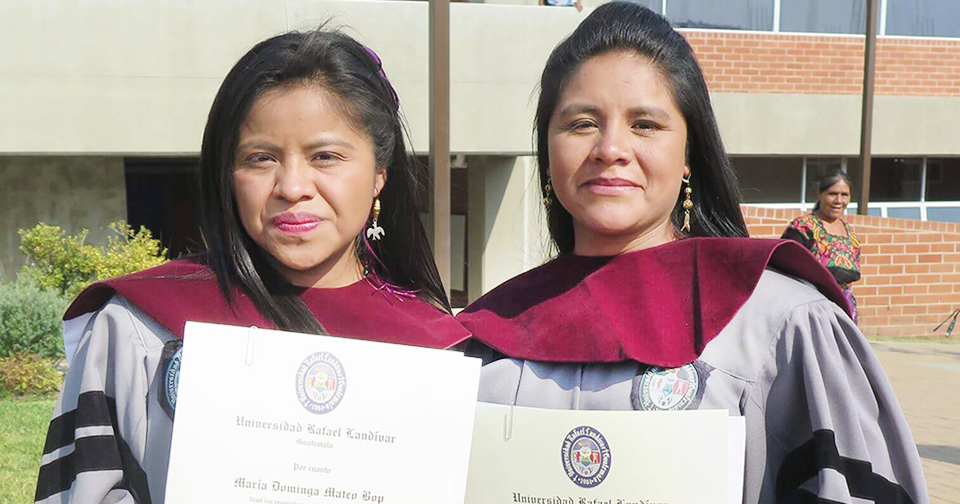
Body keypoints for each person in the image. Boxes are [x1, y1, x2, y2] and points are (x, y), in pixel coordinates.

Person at [457, 4, 928, 503]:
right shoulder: (486, 334)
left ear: (688, 157)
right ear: (547, 151)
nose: (610, 147)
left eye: (645, 125)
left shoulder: (782, 324)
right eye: (580, 124)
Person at [34, 28, 469, 504]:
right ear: (228, 175)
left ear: (379, 174)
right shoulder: (137, 329)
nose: (292, 186)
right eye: (260, 158)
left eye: (325, 156)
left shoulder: (442, 354)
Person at [783, 172, 863, 323]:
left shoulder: (850, 234)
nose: (839, 200)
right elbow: (786, 272)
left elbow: (849, 278)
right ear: (820, 194)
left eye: (844, 195)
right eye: (832, 194)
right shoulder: (802, 228)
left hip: (842, 309)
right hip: (810, 309)